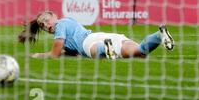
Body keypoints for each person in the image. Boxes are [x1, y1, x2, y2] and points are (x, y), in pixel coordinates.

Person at [18, 11, 175, 59]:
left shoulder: (60, 26)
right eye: (42, 25)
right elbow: (69, 52)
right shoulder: (68, 21)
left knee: (94, 51)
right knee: (140, 52)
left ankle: (105, 48)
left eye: (46, 21)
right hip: (107, 35)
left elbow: (54, 54)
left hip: (90, 42)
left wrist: (38, 55)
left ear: (54, 16)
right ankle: (159, 35)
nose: (46, 25)